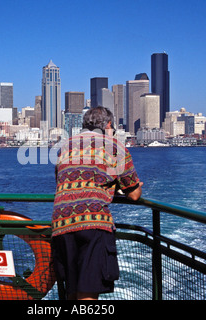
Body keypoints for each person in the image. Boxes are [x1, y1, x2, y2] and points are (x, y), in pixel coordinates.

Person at [51, 106, 143, 300]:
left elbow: (63, 181)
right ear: (108, 125)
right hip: (92, 223)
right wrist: (121, 186)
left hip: (61, 223)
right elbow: (134, 194)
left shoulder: (64, 147)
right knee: (88, 290)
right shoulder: (114, 147)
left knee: (72, 288)